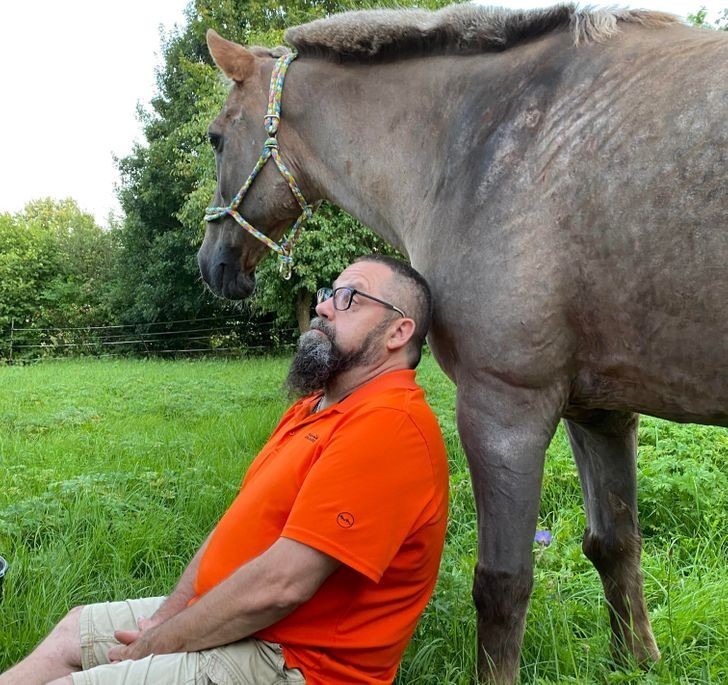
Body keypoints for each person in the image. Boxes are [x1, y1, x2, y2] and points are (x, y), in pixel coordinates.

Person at [0, 254, 449, 685]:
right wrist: (166, 616)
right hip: (245, 624)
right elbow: (235, 526)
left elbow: (281, 586)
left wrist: (156, 645)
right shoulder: (315, 408)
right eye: (330, 292)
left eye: (350, 297)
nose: (323, 306)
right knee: (74, 631)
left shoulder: (390, 426)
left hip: (294, 662)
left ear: (397, 331)